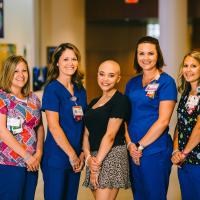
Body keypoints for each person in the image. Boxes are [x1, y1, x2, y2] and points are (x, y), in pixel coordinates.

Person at [125, 36, 177, 200]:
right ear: (136, 56)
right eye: (141, 53)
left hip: (155, 150)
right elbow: (125, 117)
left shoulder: (167, 82)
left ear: (158, 55)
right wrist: (130, 145)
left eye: (150, 53)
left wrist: (140, 146)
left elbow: (163, 121)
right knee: (138, 195)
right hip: (133, 150)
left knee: (155, 196)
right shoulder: (132, 83)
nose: (145, 58)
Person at [41, 43, 87, 200]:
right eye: (66, 59)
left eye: (74, 59)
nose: (70, 63)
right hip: (57, 157)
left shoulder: (81, 90)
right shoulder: (52, 89)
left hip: (76, 157)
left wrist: (81, 152)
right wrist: (72, 155)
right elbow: (53, 126)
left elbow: (83, 125)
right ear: (57, 62)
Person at [83, 60, 131, 200]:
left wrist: (95, 166)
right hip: (93, 157)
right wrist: (88, 158)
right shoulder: (93, 102)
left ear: (118, 78)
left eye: (111, 75)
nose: (105, 79)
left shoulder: (121, 100)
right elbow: (86, 134)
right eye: (102, 74)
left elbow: (110, 135)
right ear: (97, 75)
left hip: (111, 154)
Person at [0, 55, 44, 200]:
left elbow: (39, 126)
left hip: (31, 164)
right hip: (9, 163)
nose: (21, 75)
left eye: (24, 71)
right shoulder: (3, 97)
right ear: (8, 73)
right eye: (16, 71)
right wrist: (26, 157)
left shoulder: (33, 98)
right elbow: (2, 131)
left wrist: (38, 153)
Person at [171, 50, 200, 200]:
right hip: (184, 161)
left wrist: (183, 153)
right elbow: (180, 124)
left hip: (196, 159)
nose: (188, 70)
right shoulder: (185, 93)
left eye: (194, 66)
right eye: (186, 65)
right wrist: (176, 150)